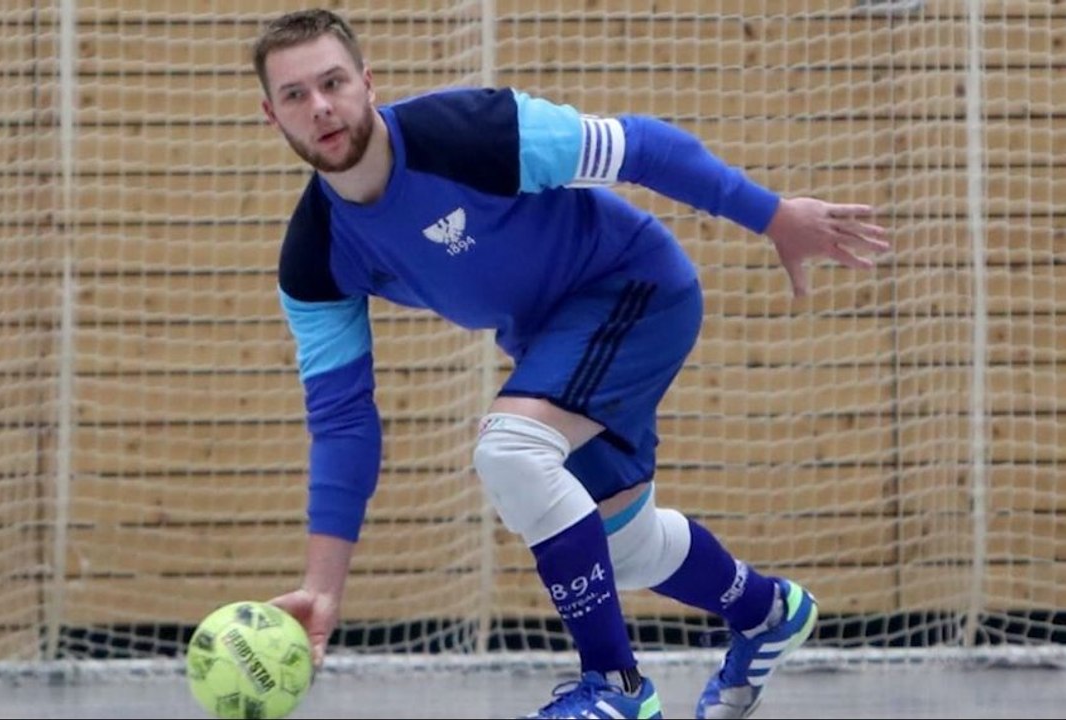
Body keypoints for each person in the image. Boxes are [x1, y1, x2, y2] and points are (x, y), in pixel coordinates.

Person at [252, 9, 889, 720]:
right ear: (272, 116)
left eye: (333, 82)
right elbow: (342, 421)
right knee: (624, 547)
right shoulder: (315, 258)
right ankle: (767, 612)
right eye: (295, 96)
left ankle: (615, 688)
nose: (321, 107)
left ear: (368, 83)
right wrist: (322, 586)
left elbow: (642, 146)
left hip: (632, 290)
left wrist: (773, 216)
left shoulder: (474, 133)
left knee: (512, 451)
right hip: (550, 341)